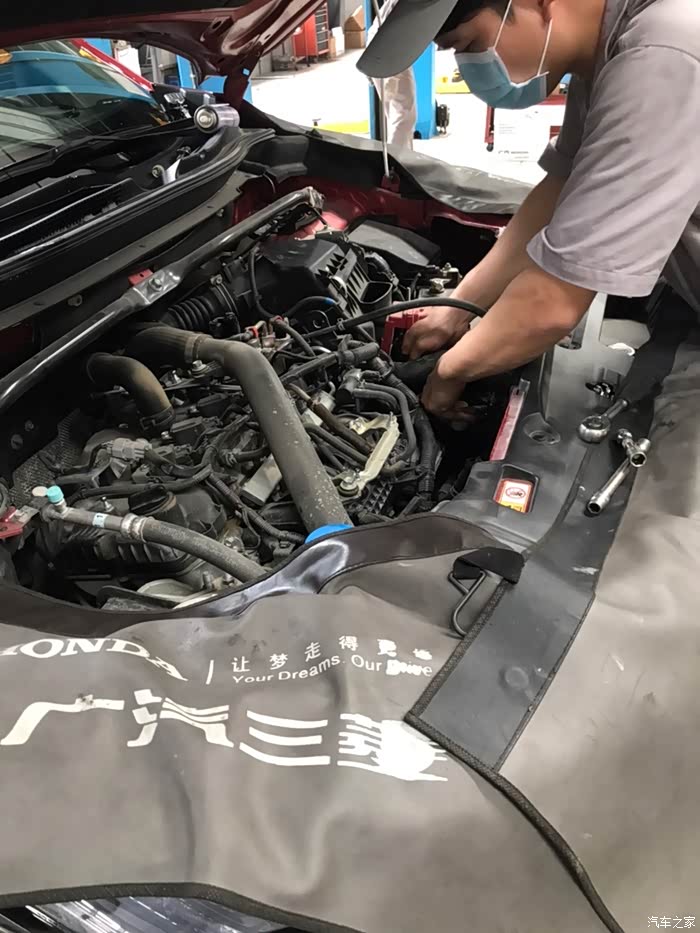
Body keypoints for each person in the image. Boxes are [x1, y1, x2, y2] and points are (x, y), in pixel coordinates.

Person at [357, 0, 700, 421]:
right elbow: (560, 189)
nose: (469, 68)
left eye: (468, 45)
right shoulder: (608, 53)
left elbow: (556, 298)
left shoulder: (663, 53)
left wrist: (449, 371)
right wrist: (458, 305)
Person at [368, 0, 418, 149]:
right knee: (404, 116)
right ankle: (396, 158)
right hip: (389, 47)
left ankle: (402, 156)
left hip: (382, 45)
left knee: (397, 112)